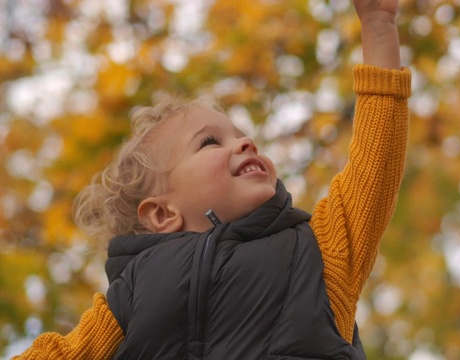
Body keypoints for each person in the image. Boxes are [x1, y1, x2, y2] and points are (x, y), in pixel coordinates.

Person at [13, 0, 411, 358]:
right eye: (209, 143)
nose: (246, 143)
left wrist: (378, 24)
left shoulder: (319, 249)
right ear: (162, 213)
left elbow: (374, 165)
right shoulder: (131, 294)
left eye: (242, 135)